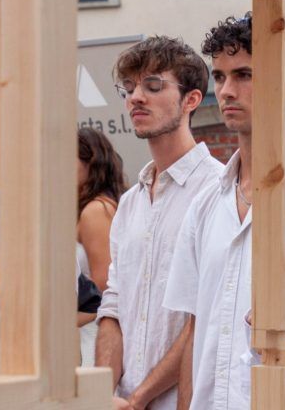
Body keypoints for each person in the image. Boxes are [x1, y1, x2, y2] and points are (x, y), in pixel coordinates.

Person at [164, 13, 285, 410]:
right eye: (219, 77)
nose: (227, 90)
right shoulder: (205, 204)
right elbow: (195, 331)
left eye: (244, 75)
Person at [95, 36, 224, 410]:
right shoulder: (131, 202)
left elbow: (204, 316)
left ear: (191, 100)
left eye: (153, 85)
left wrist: (139, 399)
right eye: (130, 87)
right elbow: (114, 304)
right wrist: (104, 395)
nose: (136, 97)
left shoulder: (218, 191)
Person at [76, 127, 127, 366]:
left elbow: (103, 284)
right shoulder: (103, 205)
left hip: (91, 331)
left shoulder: (95, 210)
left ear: (91, 162)